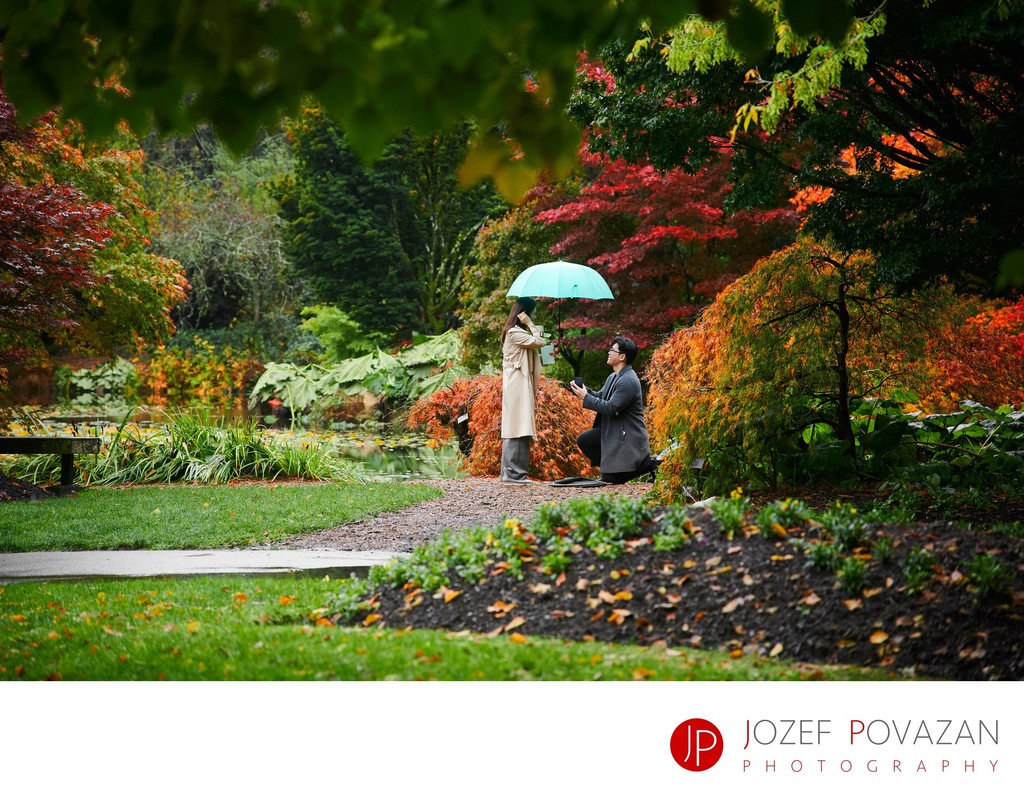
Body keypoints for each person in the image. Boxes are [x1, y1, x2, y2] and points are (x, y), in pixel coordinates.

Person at [569, 336, 660, 484]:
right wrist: (585, 391)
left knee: (610, 482)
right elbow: (601, 396)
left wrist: (585, 397)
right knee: (585, 440)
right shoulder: (613, 376)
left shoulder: (628, 380)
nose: (609, 352)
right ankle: (611, 467)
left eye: (612, 350)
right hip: (614, 431)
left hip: (627, 436)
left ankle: (644, 465)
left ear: (622, 356)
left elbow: (611, 408)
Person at [499, 296, 547, 483]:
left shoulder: (517, 332)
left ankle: (512, 474)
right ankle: (513, 474)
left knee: (520, 425)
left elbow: (537, 345)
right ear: (524, 313)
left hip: (519, 383)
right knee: (518, 425)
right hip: (516, 385)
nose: (534, 315)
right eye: (532, 312)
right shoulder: (514, 332)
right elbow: (539, 341)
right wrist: (530, 323)